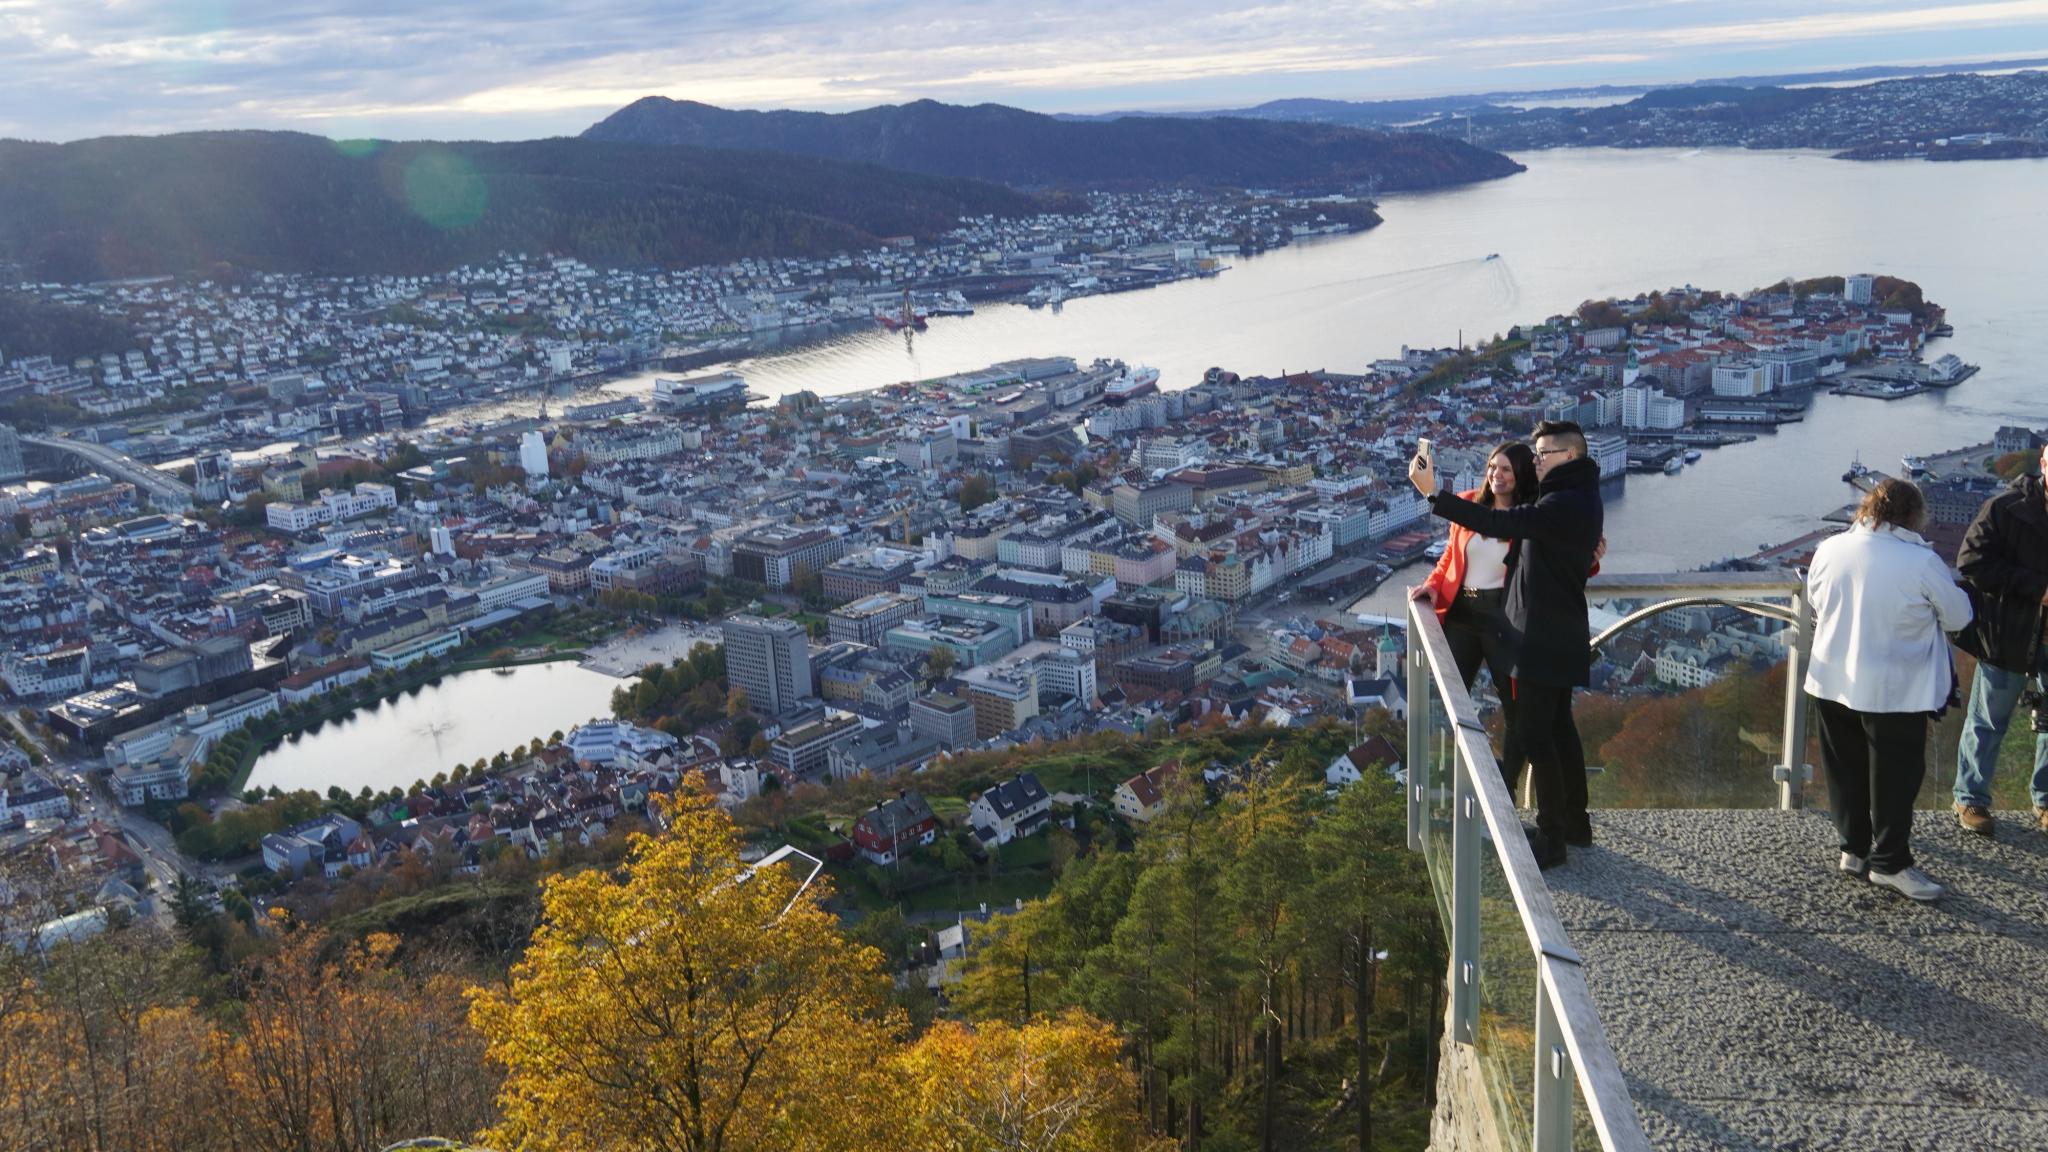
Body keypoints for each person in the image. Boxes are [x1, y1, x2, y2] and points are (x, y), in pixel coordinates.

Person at [1409, 421, 1602, 868]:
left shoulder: (1561, 504)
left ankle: (1552, 835)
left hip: (1538, 634)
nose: (1536, 462)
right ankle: (1572, 822)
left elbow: (1498, 523)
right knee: (1557, 731)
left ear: (1568, 457)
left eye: (1542, 455)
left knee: (1536, 733)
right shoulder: (1576, 497)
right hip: (1551, 630)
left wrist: (1432, 494)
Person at [1803, 478, 1971, 902]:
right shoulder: (1920, 562)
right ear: (1915, 515)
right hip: (1895, 689)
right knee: (1895, 777)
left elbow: (1817, 603)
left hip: (1832, 679)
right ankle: (1891, 863)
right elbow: (1957, 617)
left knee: (1846, 769)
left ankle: (1854, 850)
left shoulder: (1830, 549)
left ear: (1867, 510)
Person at [1951, 445, 2048, 837]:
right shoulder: (2004, 508)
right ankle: (1970, 797)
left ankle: (2045, 801)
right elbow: (1971, 562)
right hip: (2009, 631)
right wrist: (2038, 589)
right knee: (1988, 719)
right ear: (2043, 465)